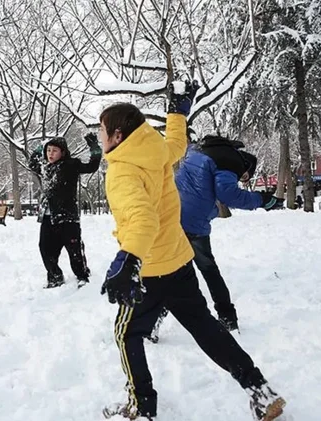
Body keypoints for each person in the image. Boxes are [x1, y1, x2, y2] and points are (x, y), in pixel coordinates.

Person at [98, 81, 285, 421]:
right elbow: (176, 144)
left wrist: (127, 260)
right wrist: (177, 112)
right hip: (179, 261)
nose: (100, 138)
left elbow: (142, 220)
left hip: (150, 269)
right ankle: (260, 389)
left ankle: (141, 407)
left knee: (126, 335)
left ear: (118, 136)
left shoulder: (122, 171)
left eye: (102, 131)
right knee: (205, 327)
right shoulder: (154, 150)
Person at [173, 135, 283, 332]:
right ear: (245, 167)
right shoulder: (231, 162)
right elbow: (229, 194)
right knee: (208, 269)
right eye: (245, 176)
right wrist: (261, 200)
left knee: (171, 271)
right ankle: (227, 317)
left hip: (171, 214)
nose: (243, 179)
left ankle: (153, 318)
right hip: (193, 221)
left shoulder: (199, 149)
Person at [28, 134, 102, 288]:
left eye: (54, 150)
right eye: (48, 150)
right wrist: (39, 147)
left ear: (63, 152)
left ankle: (82, 275)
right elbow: (32, 164)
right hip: (49, 217)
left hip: (67, 216)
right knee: (45, 248)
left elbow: (92, 166)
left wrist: (94, 147)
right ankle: (55, 277)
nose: (50, 154)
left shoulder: (71, 164)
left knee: (74, 250)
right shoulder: (46, 168)